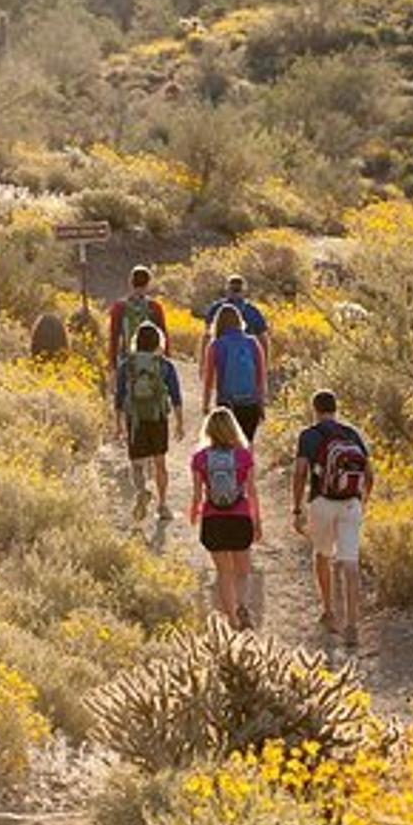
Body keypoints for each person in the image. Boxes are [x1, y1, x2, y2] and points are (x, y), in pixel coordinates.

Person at [292, 389, 373, 649]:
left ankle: (328, 611)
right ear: (335, 408)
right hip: (351, 503)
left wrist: (296, 508)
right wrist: (363, 500)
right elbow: (369, 474)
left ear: (314, 409)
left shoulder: (309, 435)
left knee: (322, 555)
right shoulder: (352, 434)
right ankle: (352, 625)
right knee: (350, 564)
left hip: (322, 502)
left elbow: (300, 472)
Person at [191, 405, 260, 629]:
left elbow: (197, 494)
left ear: (209, 430)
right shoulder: (243, 456)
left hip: (213, 519)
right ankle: (243, 606)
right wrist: (257, 521)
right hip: (239, 517)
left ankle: (231, 618)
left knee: (223, 572)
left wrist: (195, 514)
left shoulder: (200, 458)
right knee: (243, 571)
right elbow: (252, 491)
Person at [114, 322, 184, 523]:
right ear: (158, 342)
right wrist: (179, 423)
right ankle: (162, 505)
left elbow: (119, 396)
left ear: (136, 342)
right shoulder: (165, 365)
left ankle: (142, 490)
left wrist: (118, 424)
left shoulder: (127, 365)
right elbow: (176, 396)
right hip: (158, 418)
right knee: (160, 463)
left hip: (135, 419)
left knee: (137, 464)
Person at [202, 303, 268, 442]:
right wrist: (261, 404)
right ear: (239, 321)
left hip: (227, 403)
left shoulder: (216, 345)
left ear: (218, 323)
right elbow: (261, 377)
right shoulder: (252, 342)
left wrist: (206, 405)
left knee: (225, 444)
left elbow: (208, 379)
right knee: (247, 446)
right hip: (251, 403)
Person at [108, 265, 170, 375]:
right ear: (148, 283)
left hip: (127, 362)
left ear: (130, 283)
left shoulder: (119, 307)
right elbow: (164, 336)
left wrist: (113, 366)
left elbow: (114, 338)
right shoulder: (155, 307)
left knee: (126, 391)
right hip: (152, 362)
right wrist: (166, 362)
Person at [201, 274, 270, 360]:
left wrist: (203, 364)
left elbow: (207, 337)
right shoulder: (252, 311)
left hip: (221, 359)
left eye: (237, 290)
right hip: (245, 359)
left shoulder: (217, 308)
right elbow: (263, 339)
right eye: (233, 290)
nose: (235, 293)